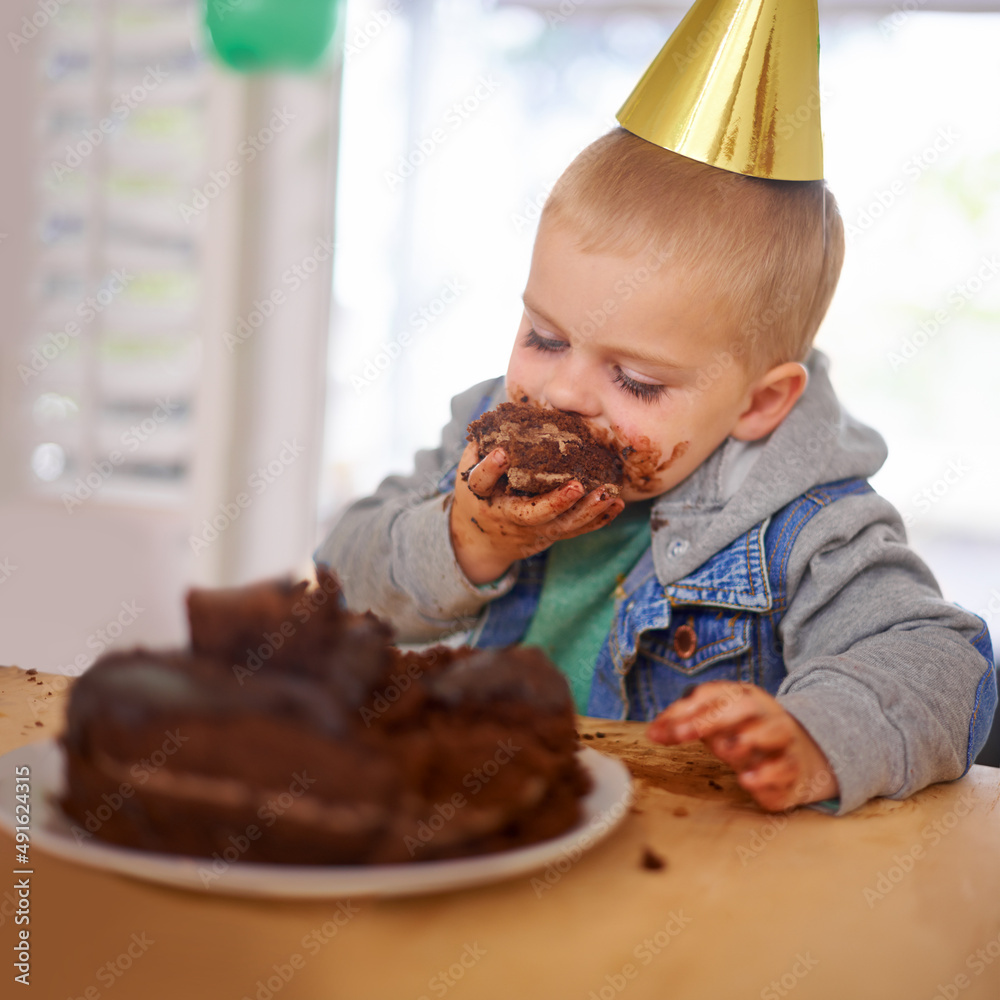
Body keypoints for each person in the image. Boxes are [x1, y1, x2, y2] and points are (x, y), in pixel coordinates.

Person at [316, 2, 996, 816]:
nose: (563, 393)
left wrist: (818, 736)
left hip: (693, 877)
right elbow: (340, 580)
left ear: (760, 402)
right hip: (494, 828)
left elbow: (944, 665)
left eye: (635, 382)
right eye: (543, 335)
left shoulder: (806, 529)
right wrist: (466, 536)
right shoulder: (483, 460)